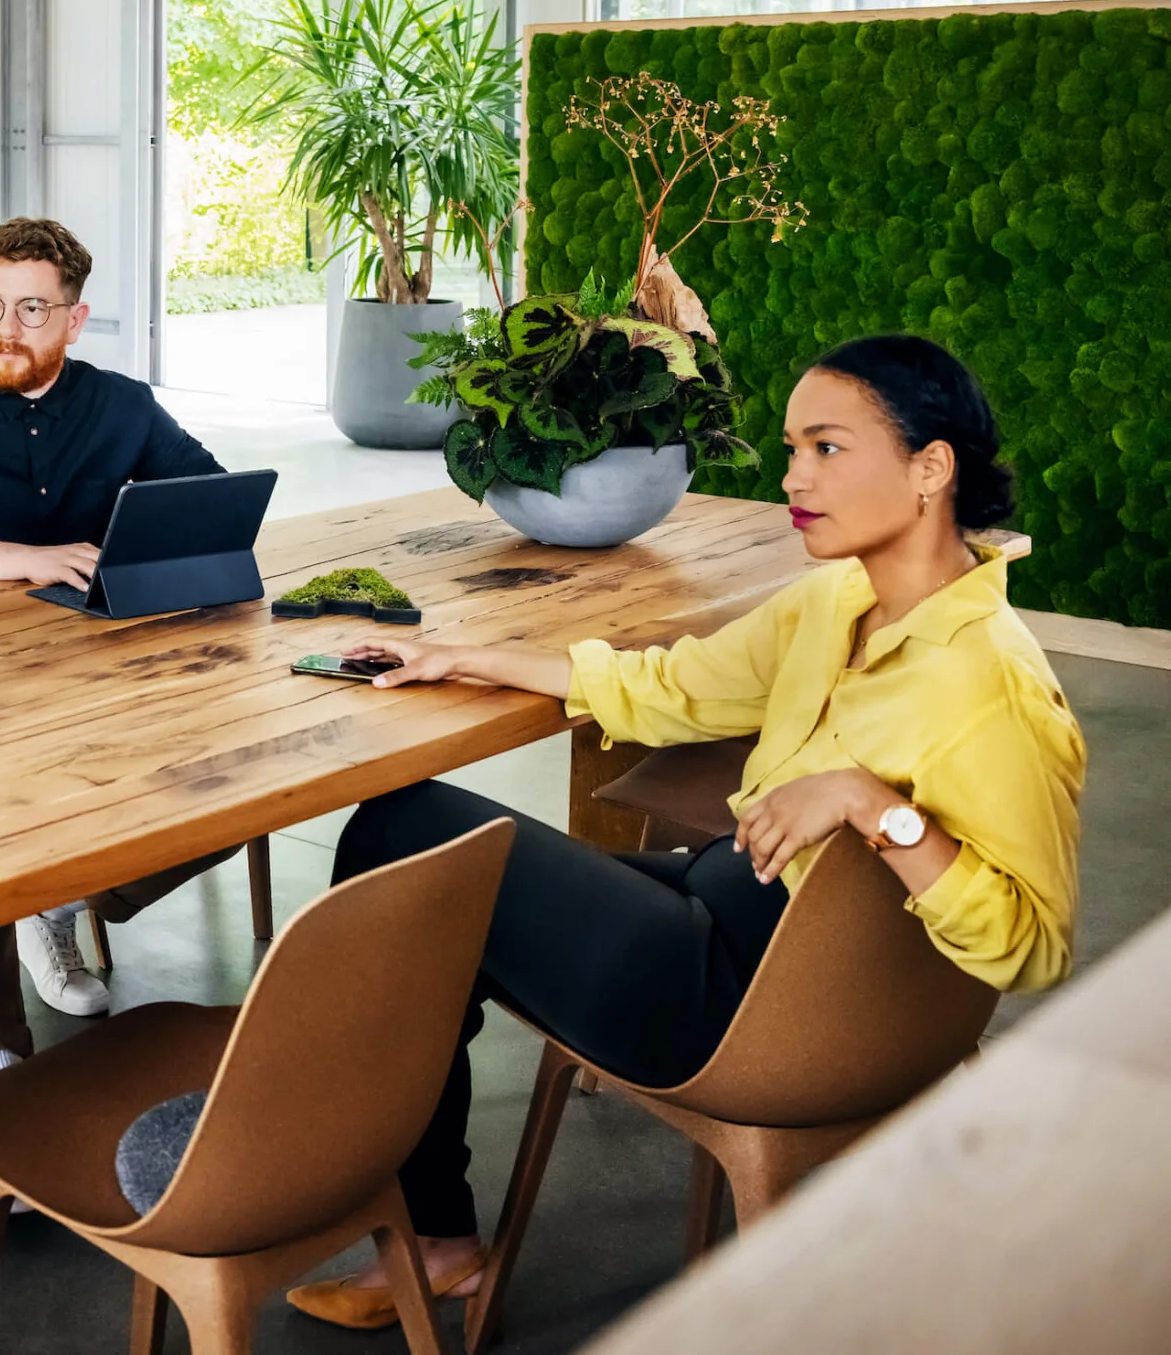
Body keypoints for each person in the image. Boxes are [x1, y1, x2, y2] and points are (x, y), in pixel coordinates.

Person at [281, 334, 1084, 1332]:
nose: (793, 477)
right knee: (438, 902)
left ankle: (410, 1225)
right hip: (726, 909)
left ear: (930, 468)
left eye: (826, 448)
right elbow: (675, 687)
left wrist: (873, 801)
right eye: (792, 448)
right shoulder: (841, 600)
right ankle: (429, 1230)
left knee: (407, 831)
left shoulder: (992, 682)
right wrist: (462, 653)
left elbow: (1032, 944)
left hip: (767, 1009)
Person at [0, 217, 241, 1025]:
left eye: (32, 310)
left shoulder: (123, 406)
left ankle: (56, 897)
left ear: (76, 318)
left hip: (88, 675)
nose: (5, 330)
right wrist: (22, 558)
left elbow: (210, 501)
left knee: (235, 785)